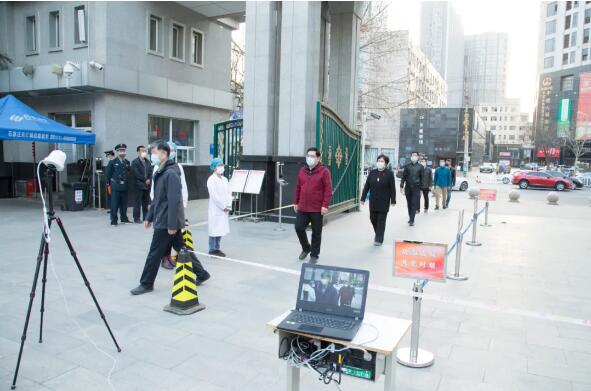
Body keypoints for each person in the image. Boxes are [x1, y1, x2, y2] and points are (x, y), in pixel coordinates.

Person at [130, 143, 208, 295]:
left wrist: (172, 225)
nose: (152, 155)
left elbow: (174, 201)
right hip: (163, 218)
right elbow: (157, 198)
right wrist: (149, 216)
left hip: (167, 221)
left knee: (154, 253)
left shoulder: (171, 173)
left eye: (154, 152)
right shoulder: (160, 171)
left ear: (164, 154)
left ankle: (146, 283)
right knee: (182, 248)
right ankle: (202, 274)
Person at [294, 147, 333, 263]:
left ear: (318, 158)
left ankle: (314, 255)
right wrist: (295, 202)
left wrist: (325, 205)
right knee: (298, 227)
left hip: (317, 208)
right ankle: (306, 248)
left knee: (316, 232)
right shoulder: (302, 171)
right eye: (308, 156)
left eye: (312, 156)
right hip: (303, 207)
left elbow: (328, 189)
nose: (309, 158)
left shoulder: (324, 172)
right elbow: (298, 187)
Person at [360, 154, 396, 246]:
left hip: (384, 201)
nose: (379, 163)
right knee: (373, 218)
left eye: (382, 161)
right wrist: (363, 198)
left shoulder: (389, 174)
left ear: (386, 163)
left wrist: (393, 200)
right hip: (373, 201)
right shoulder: (372, 173)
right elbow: (367, 186)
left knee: (381, 220)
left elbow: (392, 188)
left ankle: (379, 239)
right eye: (379, 161)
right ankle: (378, 233)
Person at [206, 158, 232, 257]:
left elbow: (229, 193)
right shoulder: (211, 180)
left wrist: (228, 206)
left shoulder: (225, 179)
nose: (222, 167)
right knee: (214, 229)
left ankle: (217, 248)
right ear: (214, 167)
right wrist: (223, 206)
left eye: (222, 165)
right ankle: (212, 249)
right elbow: (214, 196)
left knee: (220, 229)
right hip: (216, 208)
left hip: (224, 209)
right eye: (219, 165)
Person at [105, 144, 131, 225]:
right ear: (117, 152)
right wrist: (109, 184)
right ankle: (113, 220)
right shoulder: (112, 162)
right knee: (114, 204)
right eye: (120, 151)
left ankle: (124, 218)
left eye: (123, 150)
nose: (122, 152)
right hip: (116, 186)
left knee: (124, 204)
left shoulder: (127, 162)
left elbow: (127, 173)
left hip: (124, 186)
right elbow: (108, 174)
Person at [400, 151, 423, 226]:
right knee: (409, 204)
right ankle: (410, 218)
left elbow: (422, 178)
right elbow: (403, 176)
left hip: (416, 188)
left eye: (415, 155)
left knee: (413, 204)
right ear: (411, 156)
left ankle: (412, 220)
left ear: (418, 157)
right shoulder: (407, 166)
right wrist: (401, 186)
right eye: (413, 155)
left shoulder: (420, 167)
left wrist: (421, 189)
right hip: (408, 188)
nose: (414, 156)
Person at [131, 145, 153, 223]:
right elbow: (136, 173)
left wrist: (149, 179)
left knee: (146, 202)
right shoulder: (134, 162)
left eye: (144, 151)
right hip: (138, 185)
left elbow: (150, 172)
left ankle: (146, 217)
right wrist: (145, 180)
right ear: (138, 152)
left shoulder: (147, 162)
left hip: (147, 185)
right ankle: (136, 218)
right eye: (142, 151)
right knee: (137, 203)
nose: (143, 152)